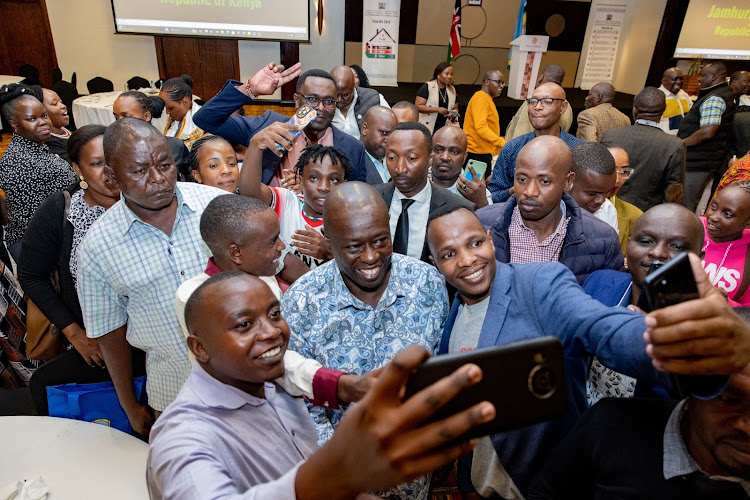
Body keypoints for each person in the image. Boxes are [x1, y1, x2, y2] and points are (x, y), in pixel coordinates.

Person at [425, 205, 750, 495]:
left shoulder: (538, 283)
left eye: (475, 243)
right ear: (435, 263)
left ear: (490, 240)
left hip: (531, 482)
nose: (467, 261)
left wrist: (687, 351)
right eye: (449, 254)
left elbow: (600, 327)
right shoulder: (454, 307)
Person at [148, 271, 496, 500]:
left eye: (273, 313)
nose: (271, 332)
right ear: (200, 348)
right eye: (243, 325)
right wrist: (335, 473)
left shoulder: (266, 381)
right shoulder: (182, 436)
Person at [283, 182, 449, 499]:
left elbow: (440, 365)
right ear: (328, 242)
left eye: (380, 241)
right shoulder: (302, 301)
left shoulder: (426, 283)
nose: (371, 257)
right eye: (354, 247)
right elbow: (299, 402)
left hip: (415, 465)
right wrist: (345, 468)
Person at [76, 118, 229, 434]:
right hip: (174, 392)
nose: (158, 179)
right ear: (113, 177)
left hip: (242, 379)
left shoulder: (214, 206)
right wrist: (129, 404)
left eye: (165, 164)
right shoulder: (97, 248)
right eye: (139, 171)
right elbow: (110, 334)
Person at [173, 194, 371, 408]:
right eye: (272, 241)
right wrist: (339, 383)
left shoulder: (265, 279)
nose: (281, 246)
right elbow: (269, 358)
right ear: (237, 253)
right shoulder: (195, 296)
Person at [18, 125, 146, 415]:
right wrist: (74, 333)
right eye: (98, 163)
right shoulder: (61, 209)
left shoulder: (149, 204)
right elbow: (31, 274)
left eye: (115, 160)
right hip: (95, 343)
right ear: (77, 168)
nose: (110, 171)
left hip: (151, 342)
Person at [528, 365, 750, 499]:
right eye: (730, 400)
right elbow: (544, 492)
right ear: (692, 386)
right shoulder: (610, 426)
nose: (746, 426)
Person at [582, 203, 704, 402]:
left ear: (699, 258)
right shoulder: (599, 283)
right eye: (646, 241)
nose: (658, 253)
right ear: (628, 246)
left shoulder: (701, 325)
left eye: (677, 246)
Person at [477, 136, 622, 284]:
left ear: (568, 181)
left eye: (544, 181)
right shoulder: (480, 225)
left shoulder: (603, 240)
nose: (530, 191)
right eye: (522, 179)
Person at [193, 64, 367, 187]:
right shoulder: (268, 126)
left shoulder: (353, 148)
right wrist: (250, 90)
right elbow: (206, 118)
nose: (321, 108)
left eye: (329, 101)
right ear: (297, 100)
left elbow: (355, 201)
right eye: (313, 99)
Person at [239, 122, 351, 269]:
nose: (324, 187)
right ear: (300, 179)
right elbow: (249, 193)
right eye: (313, 178)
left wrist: (330, 253)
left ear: (345, 184)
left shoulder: (351, 220)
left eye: (334, 180)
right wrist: (255, 145)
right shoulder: (288, 201)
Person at [374, 122, 474, 263]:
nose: (400, 168)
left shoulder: (457, 209)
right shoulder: (371, 201)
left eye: (412, 158)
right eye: (392, 158)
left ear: (430, 159)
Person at [0, 83, 76, 260]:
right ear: (14, 124)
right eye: (32, 119)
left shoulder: (36, 145)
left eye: (43, 116)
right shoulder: (19, 163)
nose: (43, 122)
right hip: (40, 249)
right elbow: (36, 222)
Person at [487, 83, 583, 203]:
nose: (538, 107)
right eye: (533, 102)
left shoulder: (577, 150)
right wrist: (516, 189)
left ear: (563, 107)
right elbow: (492, 196)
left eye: (547, 102)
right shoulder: (513, 148)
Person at [601, 86, 686, 211]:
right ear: (663, 111)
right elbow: (673, 193)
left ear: (634, 109)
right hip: (645, 215)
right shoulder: (674, 145)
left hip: (607, 208)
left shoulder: (611, 135)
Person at [677, 62, 737, 211]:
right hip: (703, 160)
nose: (699, 80)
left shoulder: (715, 98)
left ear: (715, 76)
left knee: (684, 205)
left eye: (703, 76)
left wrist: (680, 143)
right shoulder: (724, 93)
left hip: (697, 163)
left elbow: (707, 131)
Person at [112, 90, 191, 179]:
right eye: (116, 117)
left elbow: (190, 178)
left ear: (147, 116)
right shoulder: (116, 150)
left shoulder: (174, 147)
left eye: (126, 116)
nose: (119, 122)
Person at [701, 181, 750, 306]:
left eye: (727, 214)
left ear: (747, 222)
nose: (713, 217)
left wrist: (726, 303)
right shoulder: (690, 229)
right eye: (713, 207)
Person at [505, 65, 573, 141]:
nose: (538, 107)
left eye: (547, 102)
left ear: (541, 77)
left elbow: (520, 136)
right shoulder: (565, 105)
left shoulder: (535, 101)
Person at [431, 126, 492, 208]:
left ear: (464, 157)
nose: (445, 157)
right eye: (438, 150)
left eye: (454, 152)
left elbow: (489, 219)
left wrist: (480, 204)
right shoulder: (417, 181)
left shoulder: (476, 191)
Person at [567, 142, 619, 232]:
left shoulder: (607, 210)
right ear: (568, 181)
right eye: (592, 193)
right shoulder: (547, 212)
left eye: (607, 192)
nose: (601, 201)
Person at [463, 70, 506, 174]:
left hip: (482, 153)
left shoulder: (486, 99)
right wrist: (502, 143)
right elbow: (481, 127)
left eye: (503, 83)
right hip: (476, 155)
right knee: (472, 188)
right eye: (498, 82)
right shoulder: (481, 98)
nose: (501, 86)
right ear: (487, 82)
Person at [330, 65, 389, 139]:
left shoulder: (373, 98)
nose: (339, 99)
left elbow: (390, 126)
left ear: (353, 88)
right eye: (335, 94)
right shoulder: (324, 103)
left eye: (345, 95)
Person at [606, 146, 643, 254]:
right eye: (611, 170)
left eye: (623, 171)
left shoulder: (635, 216)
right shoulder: (567, 208)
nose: (617, 180)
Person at [159, 74, 206, 149]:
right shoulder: (174, 120)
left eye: (170, 108)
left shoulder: (203, 122)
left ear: (185, 102)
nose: (167, 112)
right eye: (166, 108)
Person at [415, 62, 458, 134]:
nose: (449, 76)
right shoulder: (428, 86)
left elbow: (455, 108)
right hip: (427, 126)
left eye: (451, 74)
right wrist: (437, 109)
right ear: (438, 74)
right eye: (446, 74)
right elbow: (418, 106)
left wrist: (453, 114)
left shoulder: (452, 90)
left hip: (443, 128)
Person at [359, 105, 398, 184]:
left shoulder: (397, 161)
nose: (388, 140)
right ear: (364, 129)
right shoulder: (353, 162)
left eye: (392, 134)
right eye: (384, 133)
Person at [658, 67, 693, 135]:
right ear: (663, 81)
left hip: (683, 138)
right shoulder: (658, 96)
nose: (679, 82)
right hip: (665, 139)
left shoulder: (684, 95)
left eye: (681, 79)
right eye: (675, 79)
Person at [41, 88, 71, 161]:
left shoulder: (62, 129)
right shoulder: (50, 143)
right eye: (54, 104)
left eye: (61, 102)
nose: (63, 106)